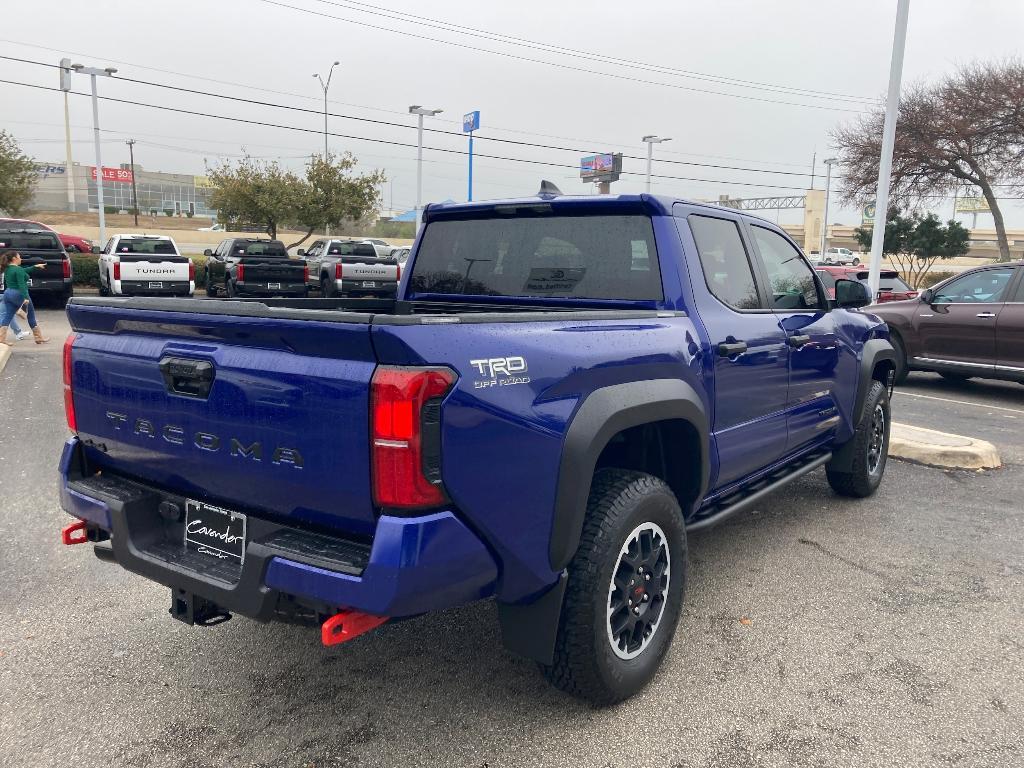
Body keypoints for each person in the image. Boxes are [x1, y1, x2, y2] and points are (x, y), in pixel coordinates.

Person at [0, 250, 49, 346]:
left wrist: (35, 267)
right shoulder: (18, 270)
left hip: (8, 293)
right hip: (18, 294)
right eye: (19, 257)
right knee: (31, 315)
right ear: (14, 259)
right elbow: (22, 285)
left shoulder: (7, 268)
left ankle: (1, 338)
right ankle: (38, 338)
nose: (21, 259)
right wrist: (26, 297)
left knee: (8, 315)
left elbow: (23, 271)